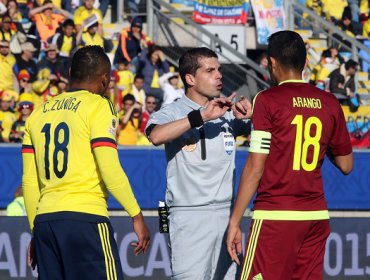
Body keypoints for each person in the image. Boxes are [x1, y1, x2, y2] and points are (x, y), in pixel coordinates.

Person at [226, 30, 354, 280]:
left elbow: (255, 166)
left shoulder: (267, 99)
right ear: (306, 62)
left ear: (272, 63)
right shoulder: (329, 102)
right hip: (316, 217)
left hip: (276, 215)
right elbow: (347, 165)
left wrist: (234, 222)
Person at [22, 46, 150, 279]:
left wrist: (35, 230)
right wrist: (136, 215)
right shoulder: (100, 106)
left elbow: (30, 182)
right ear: (105, 80)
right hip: (85, 219)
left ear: (71, 72)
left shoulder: (37, 113)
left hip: (45, 223)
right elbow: (109, 167)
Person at [145, 47, 252, 279]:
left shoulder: (227, 111)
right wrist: (201, 117)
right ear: (190, 78)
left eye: (219, 70)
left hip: (227, 216)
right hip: (189, 216)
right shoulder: (173, 111)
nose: (219, 75)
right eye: (210, 70)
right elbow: (155, 136)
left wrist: (252, 115)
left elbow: (267, 131)